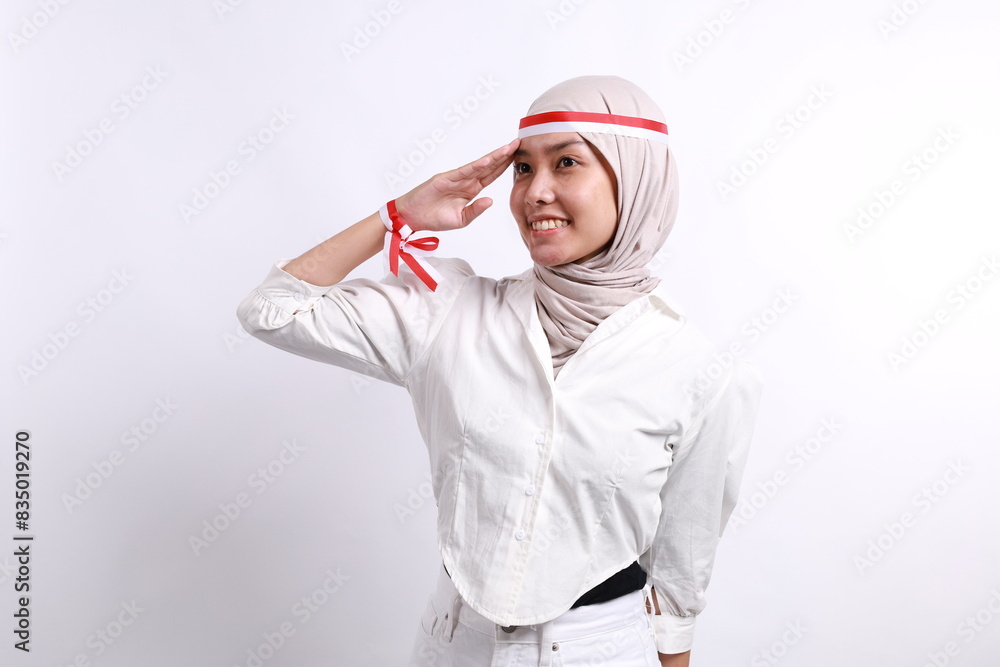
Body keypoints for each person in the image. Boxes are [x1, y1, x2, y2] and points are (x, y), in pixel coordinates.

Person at [236, 75, 764, 667]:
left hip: (604, 651)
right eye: (522, 168)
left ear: (636, 177)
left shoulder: (698, 370)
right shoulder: (449, 310)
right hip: (456, 644)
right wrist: (397, 214)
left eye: (567, 163)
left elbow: (678, 582)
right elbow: (271, 311)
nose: (535, 191)